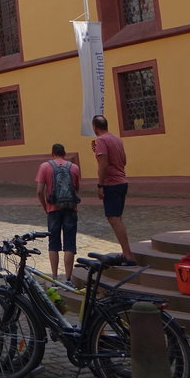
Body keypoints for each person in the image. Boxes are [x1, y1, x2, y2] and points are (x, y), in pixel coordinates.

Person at [35, 144, 81, 286]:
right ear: (64, 153)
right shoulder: (74, 167)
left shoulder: (45, 167)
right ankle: (68, 279)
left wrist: (45, 206)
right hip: (70, 208)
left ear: (52, 153)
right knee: (69, 244)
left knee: (53, 243)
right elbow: (76, 188)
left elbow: (39, 191)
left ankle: (54, 278)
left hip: (53, 209)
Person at [91, 115, 134, 263]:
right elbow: (124, 160)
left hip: (112, 183)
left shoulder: (101, 140)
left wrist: (100, 185)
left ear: (95, 127)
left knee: (114, 219)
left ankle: (128, 255)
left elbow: (103, 165)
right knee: (117, 218)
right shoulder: (116, 139)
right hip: (122, 181)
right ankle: (125, 252)